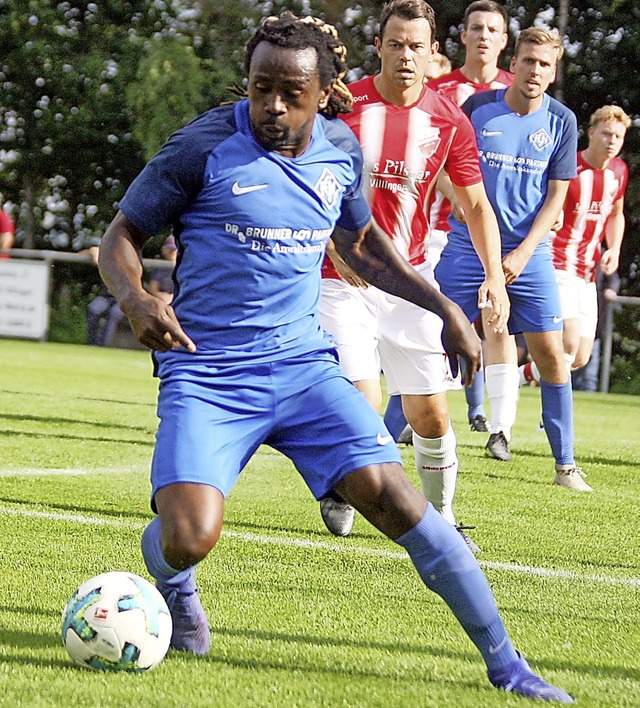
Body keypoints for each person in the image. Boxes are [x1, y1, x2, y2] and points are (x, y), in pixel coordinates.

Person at [98, 11, 572, 703]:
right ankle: (176, 583)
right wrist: (136, 300)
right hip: (207, 370)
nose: (272, 106)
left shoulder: (338, 150)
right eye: (262, 89)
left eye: (291, 94)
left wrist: (444, 311)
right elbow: (120, 237)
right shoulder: (200, 147)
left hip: (303, 370)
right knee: (190, 537)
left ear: (324, 92)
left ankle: (509, 665)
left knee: (403, 505)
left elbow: (362, 246)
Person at [318, 0, 510, 551]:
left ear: (432, 55)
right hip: (341, 278)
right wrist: (336, 241)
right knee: (359, 399)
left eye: (416, 47)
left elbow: (475, 206)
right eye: (395, 44)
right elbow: (306, 179)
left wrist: (493, 277)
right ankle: (343, 479)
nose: (406, 56)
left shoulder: (450, 121)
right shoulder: (344, 107)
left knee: (429, 415)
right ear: (378, 47)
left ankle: (443, 521)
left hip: (412, 282)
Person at [436, 28, 587, 492]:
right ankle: (384, 440)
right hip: (466, 247)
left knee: (553, 356)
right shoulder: (478, 108)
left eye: (545, 64)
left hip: (530, 255)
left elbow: (557, 198)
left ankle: (565, 466)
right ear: (513, 62)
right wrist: (454, 198)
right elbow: (442, 164)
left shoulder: (562, 121)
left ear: (554, 69)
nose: (535, 71)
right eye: (528, 61)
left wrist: (522, 253)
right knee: (429, 339)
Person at [427, 0, 514, 439]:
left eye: (491, 29)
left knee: (497, 323)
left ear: (503, 40)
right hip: (440, 228)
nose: (483, 36)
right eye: (475, 27)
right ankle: (422, 413)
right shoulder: (441, 90)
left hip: (500, 232)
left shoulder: (518, 90)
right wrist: (454, 193)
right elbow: (425, 154)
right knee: (436, 322)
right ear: (463, 36)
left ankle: (498, 425)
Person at [520, 105, 630, 390]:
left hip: (587, 273)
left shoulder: (619, 171)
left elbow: (616, 213)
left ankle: (520, 376)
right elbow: (548, 203)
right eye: (606, 134)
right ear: (591, 133)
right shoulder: (571, 168)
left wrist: (614, 248)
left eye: (618, 136)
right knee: (567, 339)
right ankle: (554, 414)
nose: (611, 141)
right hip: (558, 263)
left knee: (579, 356)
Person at [571, 266, 620, 392]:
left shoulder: (600, 256)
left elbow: (613, 278)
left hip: (594, 331)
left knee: (589, 378)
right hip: (571, 330)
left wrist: (612, 289)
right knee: (567, 371)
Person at [148, 235, 178, 304]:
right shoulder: (159, 268)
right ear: (164, 251)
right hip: (162, 300)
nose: (172, 253)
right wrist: (161, 296)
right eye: (170, 250)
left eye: (174, 250)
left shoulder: (185, 267)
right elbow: (153, 288)